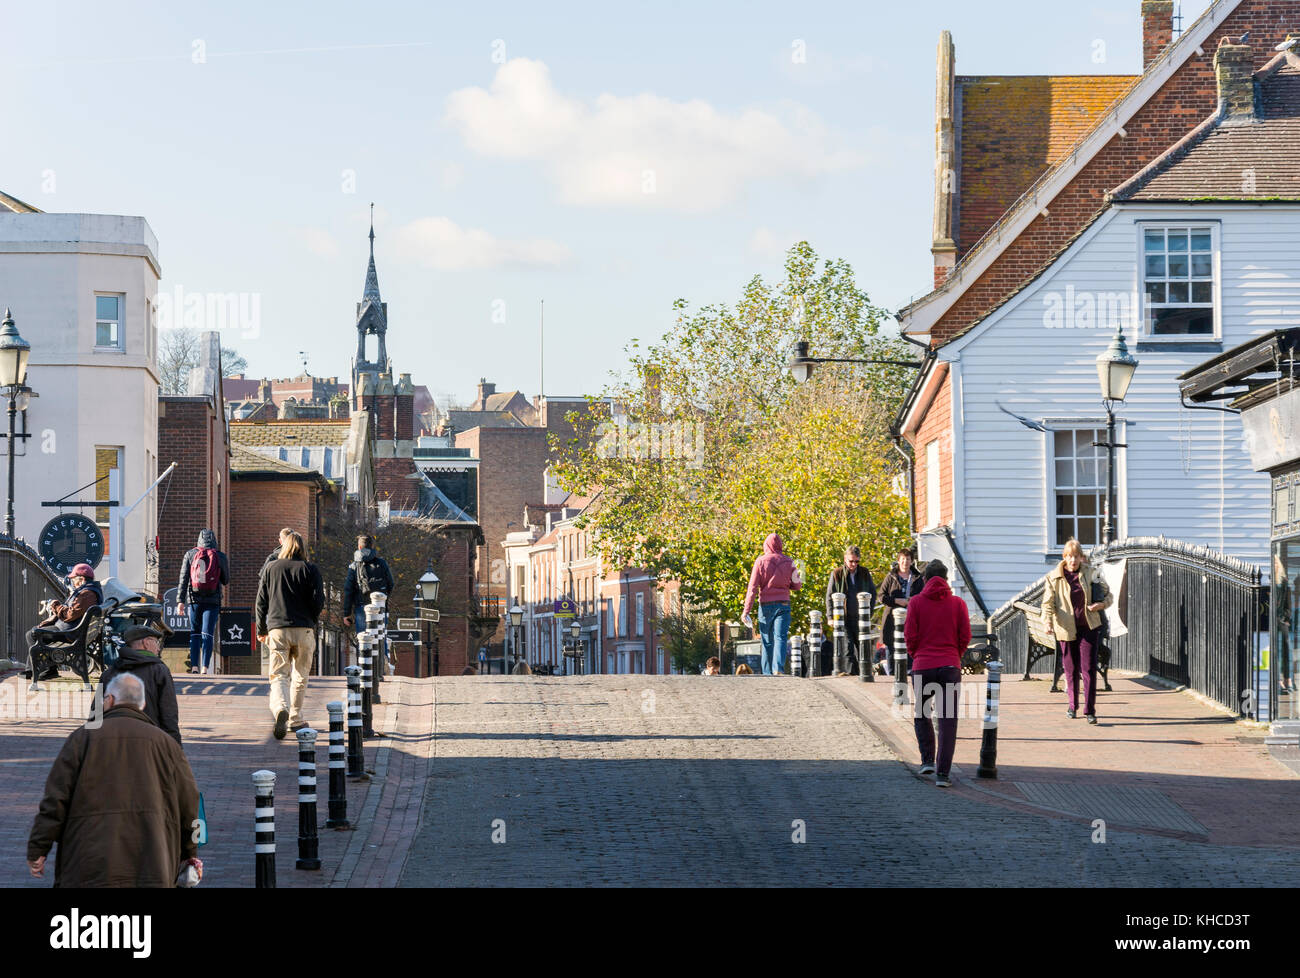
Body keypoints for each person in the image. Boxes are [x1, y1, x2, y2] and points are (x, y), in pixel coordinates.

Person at [27, 672, 203, 887]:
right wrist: (190, 850)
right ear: (143, 704)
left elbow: (55, 800)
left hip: (88, 862)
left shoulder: (83, 738)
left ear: (109, 700)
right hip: (152, 861)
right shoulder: (166, 744)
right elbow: (190, 802)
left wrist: (38, 848)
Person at [904, 560, 970, 788]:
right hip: (950, 666)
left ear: (925, 579)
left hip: (923, 665)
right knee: (947, 721)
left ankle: (927, 760)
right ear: (946, 578)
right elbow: (965, 636)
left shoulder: (915, 603)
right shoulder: (958, 603)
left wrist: (918, 655)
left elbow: (909, 636)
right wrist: (955, 656)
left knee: (922, 714)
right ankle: (943, 773)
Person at [256, 530, 325, 739]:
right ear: (302, 548)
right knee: (300, 676)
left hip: (277, 629)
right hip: (304, 629)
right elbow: (319, 600)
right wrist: (311, 619)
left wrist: (261, 629)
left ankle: (280, 710)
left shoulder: (270, 568)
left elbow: (261, 601)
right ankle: (295, 718)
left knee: (279, 675)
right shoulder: (310, 569)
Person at [1042, 538, 1112, 724]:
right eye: (1070, 556)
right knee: (1070, 669)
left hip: (1089, 626)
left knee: (1088, 669)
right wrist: (1047, 623)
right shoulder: (1053, 577)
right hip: (1066, 628)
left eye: (1076, 556)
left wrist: (1101, 605)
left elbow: (1109, 595)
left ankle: (1090, 710)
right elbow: (1047, 604)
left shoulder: (1093, 573)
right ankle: (1072, 706)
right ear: (1064, 557)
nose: (1073, 560)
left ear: (1082, 557)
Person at [93, 624, 182, 746]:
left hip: (111, 745)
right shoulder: (159, 670)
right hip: (148, 744)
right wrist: (175, 748)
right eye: (156, 642)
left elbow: (95, 716)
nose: (158, 648)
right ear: (146, 643)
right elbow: (169, 714)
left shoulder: (108, 673)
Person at [26, 563, 104, 686]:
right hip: (74, 630)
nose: (72, 582)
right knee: (35, 631)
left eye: (74, 579)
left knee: (32, 634)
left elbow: (69, 615)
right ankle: (34, 670)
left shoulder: (87, 594)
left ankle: (46, 670)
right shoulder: (88, 591)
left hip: (71, 633)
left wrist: (55, 605)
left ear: (81, 579)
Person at [741, 533, 802, 676]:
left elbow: (752, 588)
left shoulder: (760, 561)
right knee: (780, 637)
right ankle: (778, 669)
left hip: (766, 605)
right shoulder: (789, 561)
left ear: (766, 545)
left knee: (767, 640)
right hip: (783, 604)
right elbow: (798, 585)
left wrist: (746, 610)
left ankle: (767, 672)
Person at [177, 529, 229, 675]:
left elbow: (184, 579)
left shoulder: (190, 554)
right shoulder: (220, 556)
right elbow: (226, 580)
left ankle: (194, 667)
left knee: (194, 633)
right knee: (208, 633)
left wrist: (180, 601)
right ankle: (205, 668)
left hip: (194, 600)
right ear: (214, 540)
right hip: (213, 601)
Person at [825, 545, 877, 675]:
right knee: (847, 646)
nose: (854, 564)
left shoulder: (865, 573)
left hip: (860, 617)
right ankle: (850, 675)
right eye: (851, 561)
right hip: (844, 617)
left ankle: (864, 673)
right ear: (845, 559)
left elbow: (872, 593)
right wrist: (830, 617)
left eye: (856, 561)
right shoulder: (837, 574)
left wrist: (869, 612)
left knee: (863, 646)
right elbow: (830, 596)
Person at [878, 547, 924, 676]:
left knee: (910, 643)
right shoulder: (891, 577)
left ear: (912, 561)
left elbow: (923, 597)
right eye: (903, 559)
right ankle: (892, 673)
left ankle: (909, 671)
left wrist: (911, 601)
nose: (905, 562)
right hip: (892, 617)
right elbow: (881, 596)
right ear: (898, 561)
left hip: (911, 616)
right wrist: (897, 601)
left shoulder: (917, 578)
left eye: (908, 559)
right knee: (891, 644)